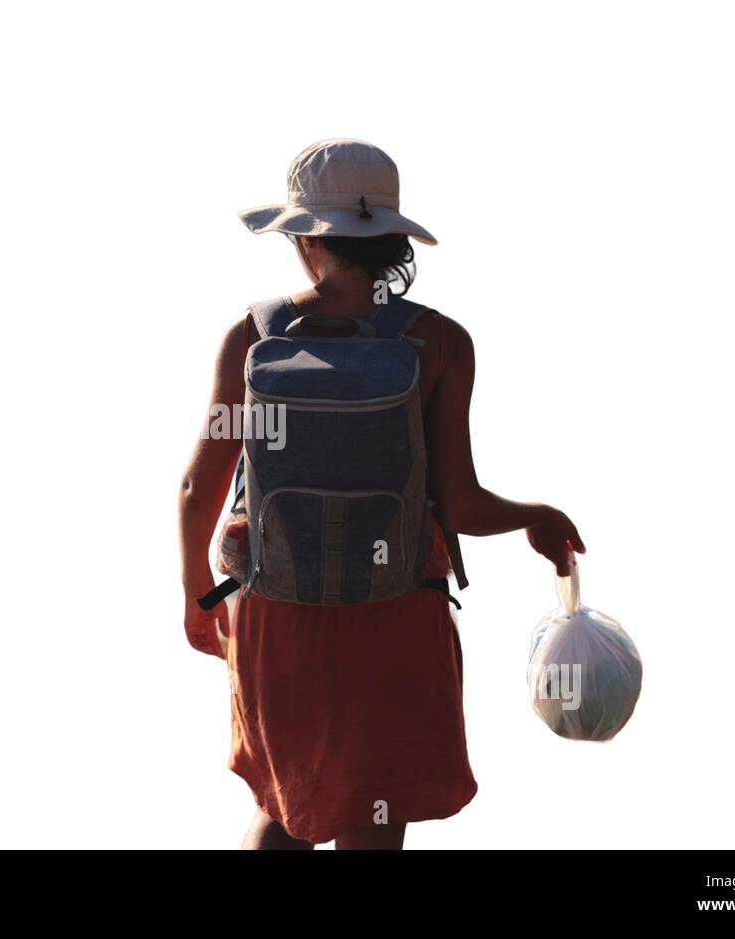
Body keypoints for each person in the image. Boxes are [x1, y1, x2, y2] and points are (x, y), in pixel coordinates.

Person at [178, 139, 585, 850]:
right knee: (373, 807)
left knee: (285, 802)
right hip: (393, 610)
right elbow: (459, 503)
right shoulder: (439, 343)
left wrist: (194, 599)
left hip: (279, 618)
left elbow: (195, 488)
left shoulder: (249, 339)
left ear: (305, 236)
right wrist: (535, 518)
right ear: (392, 237)